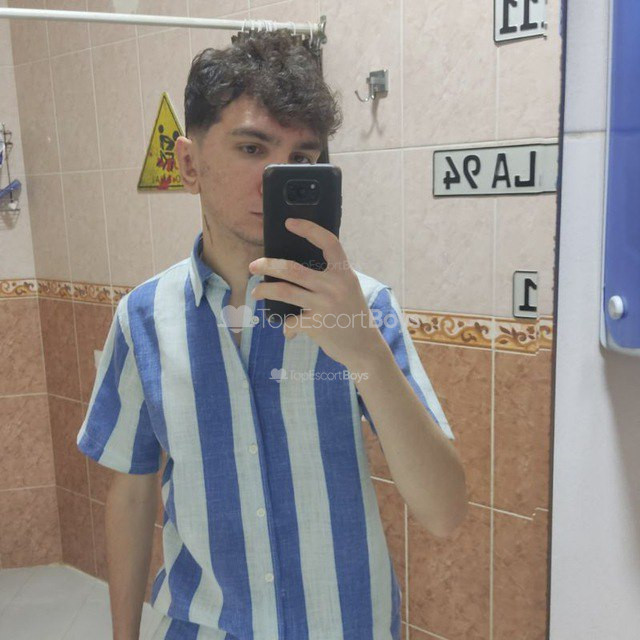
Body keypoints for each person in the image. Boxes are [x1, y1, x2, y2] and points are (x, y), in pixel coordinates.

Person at [76, 29, 467, 640]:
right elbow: (131, 492)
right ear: (188, 164)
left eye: (301, 159)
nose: (274, 177)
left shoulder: (364, 308)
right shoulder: (143, 318)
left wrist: (364, 349)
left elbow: (444, 512)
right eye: (252, 147)